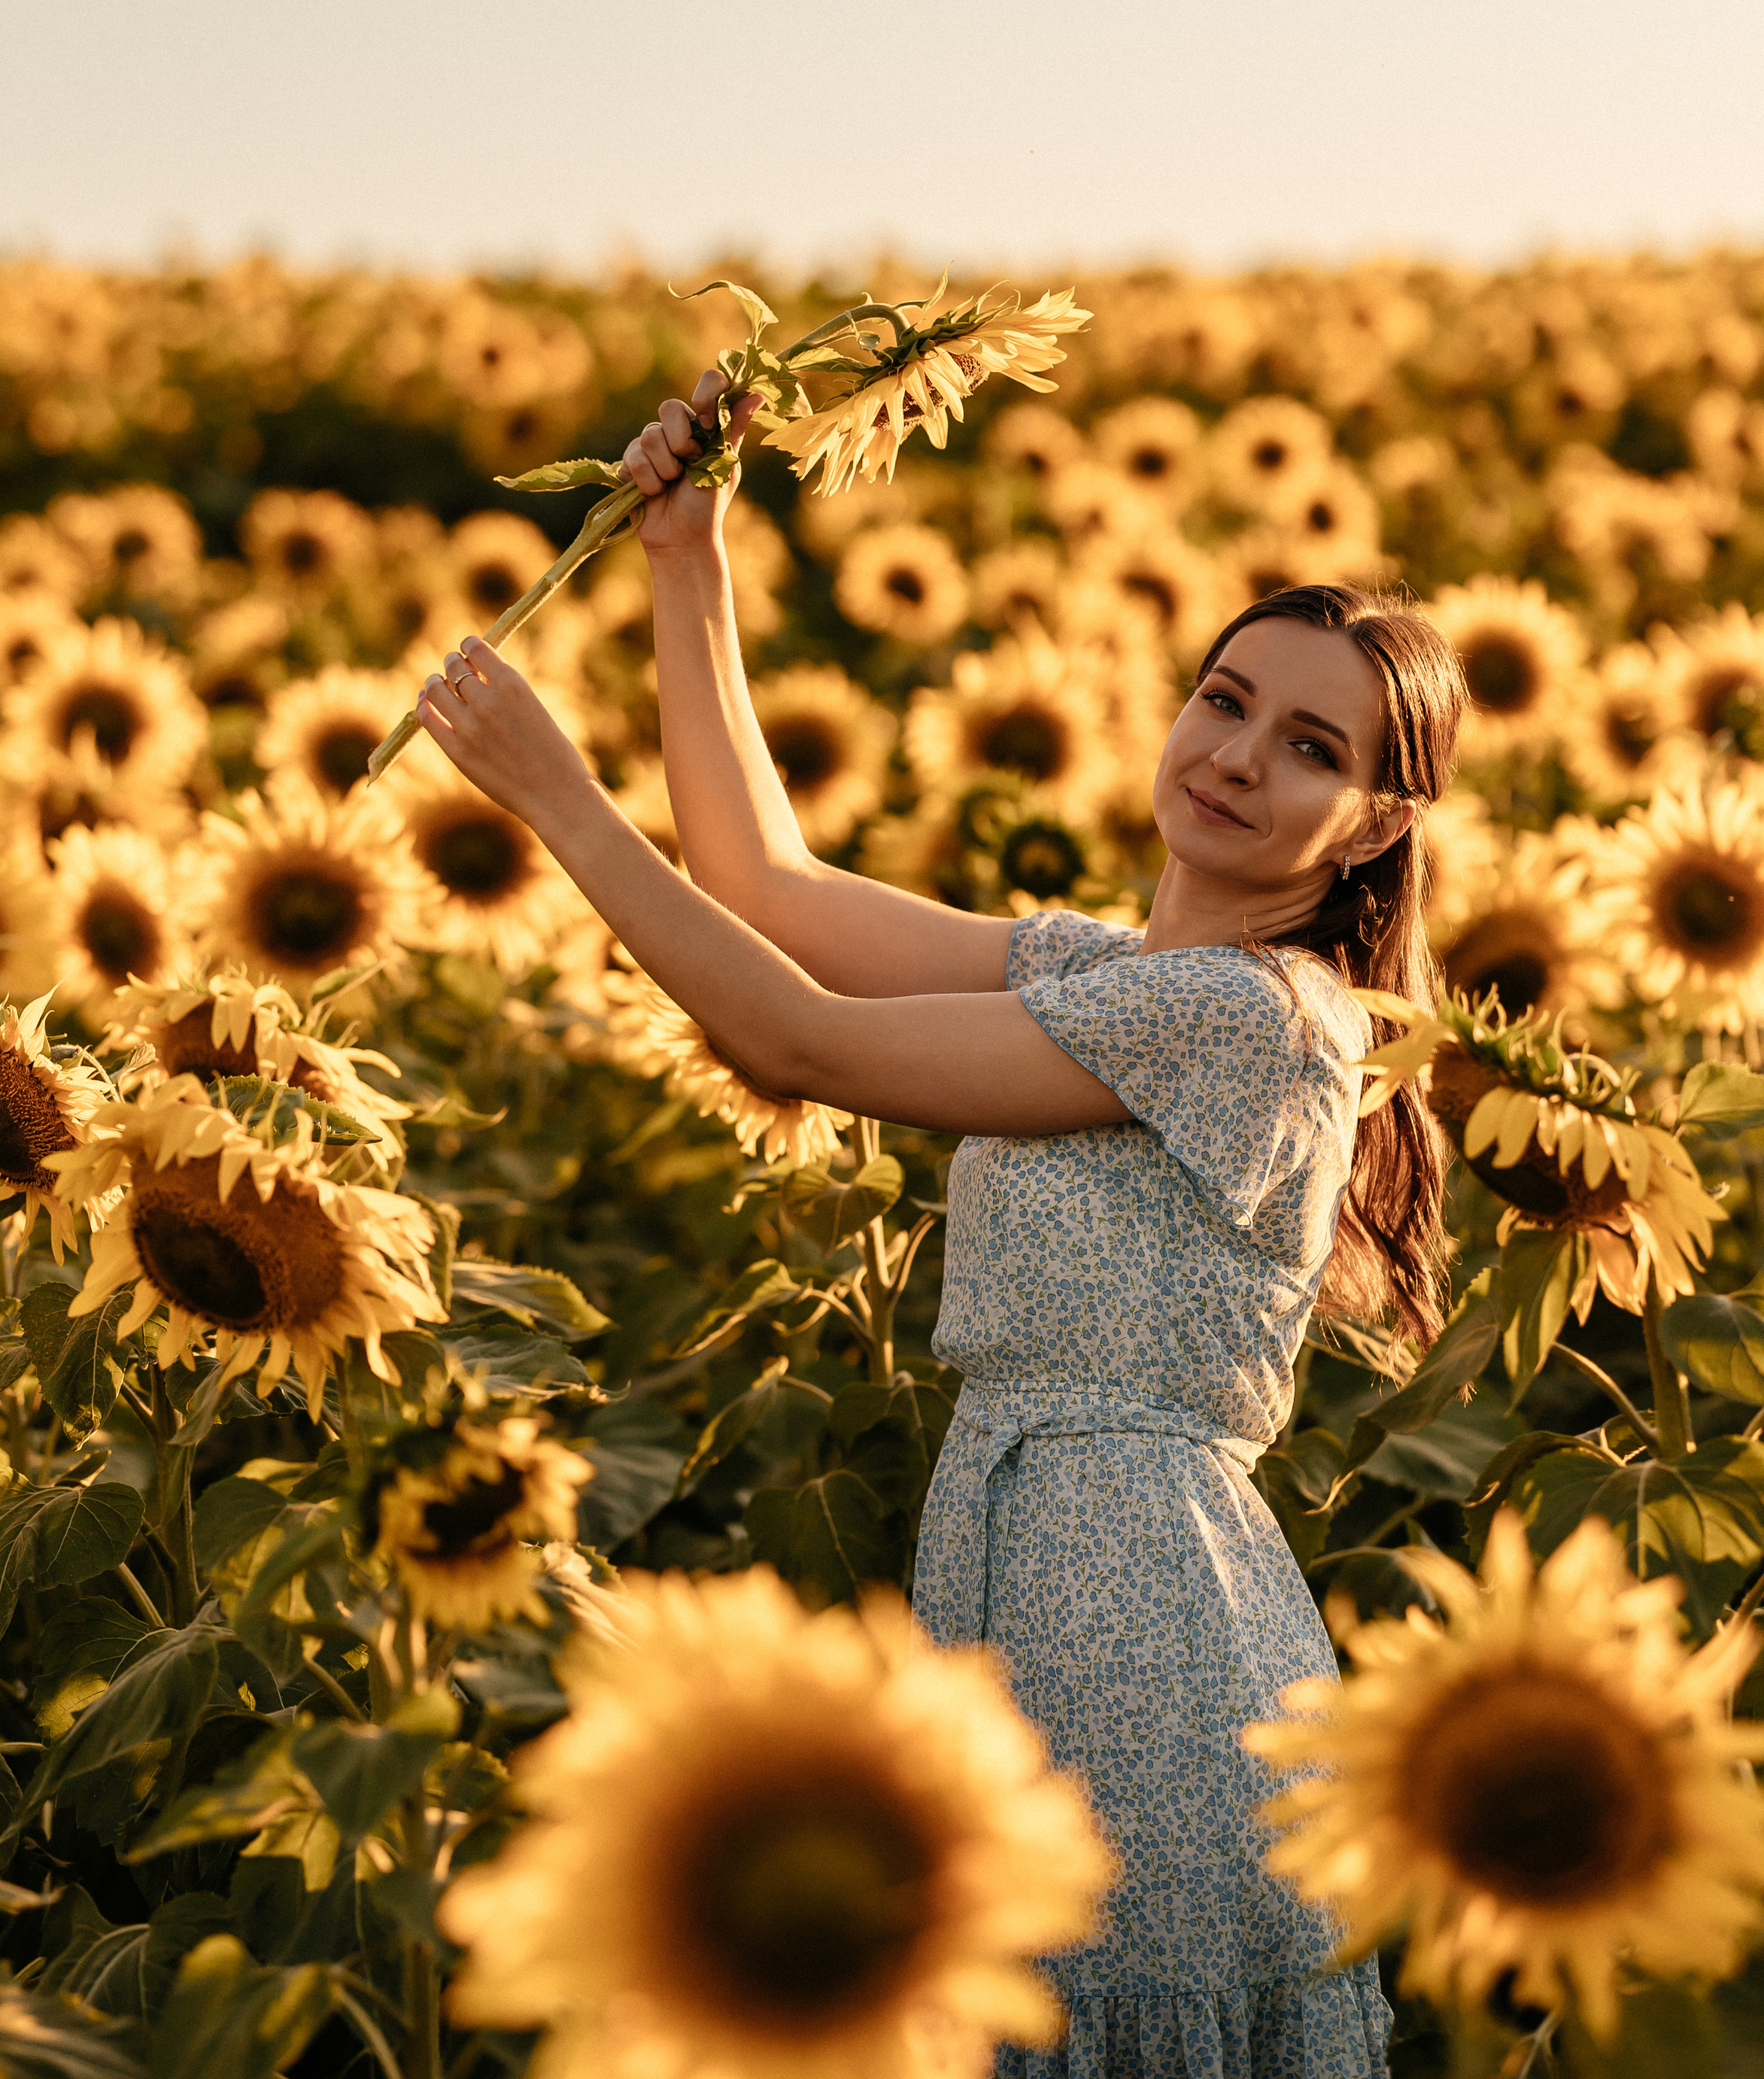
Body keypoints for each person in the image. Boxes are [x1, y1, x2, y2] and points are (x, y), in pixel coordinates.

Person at [413, 372, 1467, 2079]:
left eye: (1312, 749)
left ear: (1380, 826)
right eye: (1225, 700)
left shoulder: (1254, 1016)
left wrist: (559, 799)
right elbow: (772, 894)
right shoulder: (1102, 967)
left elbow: (800, 1043)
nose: (1235, 758)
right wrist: (691, 564)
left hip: (1145, 1608)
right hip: (1017, 1544)